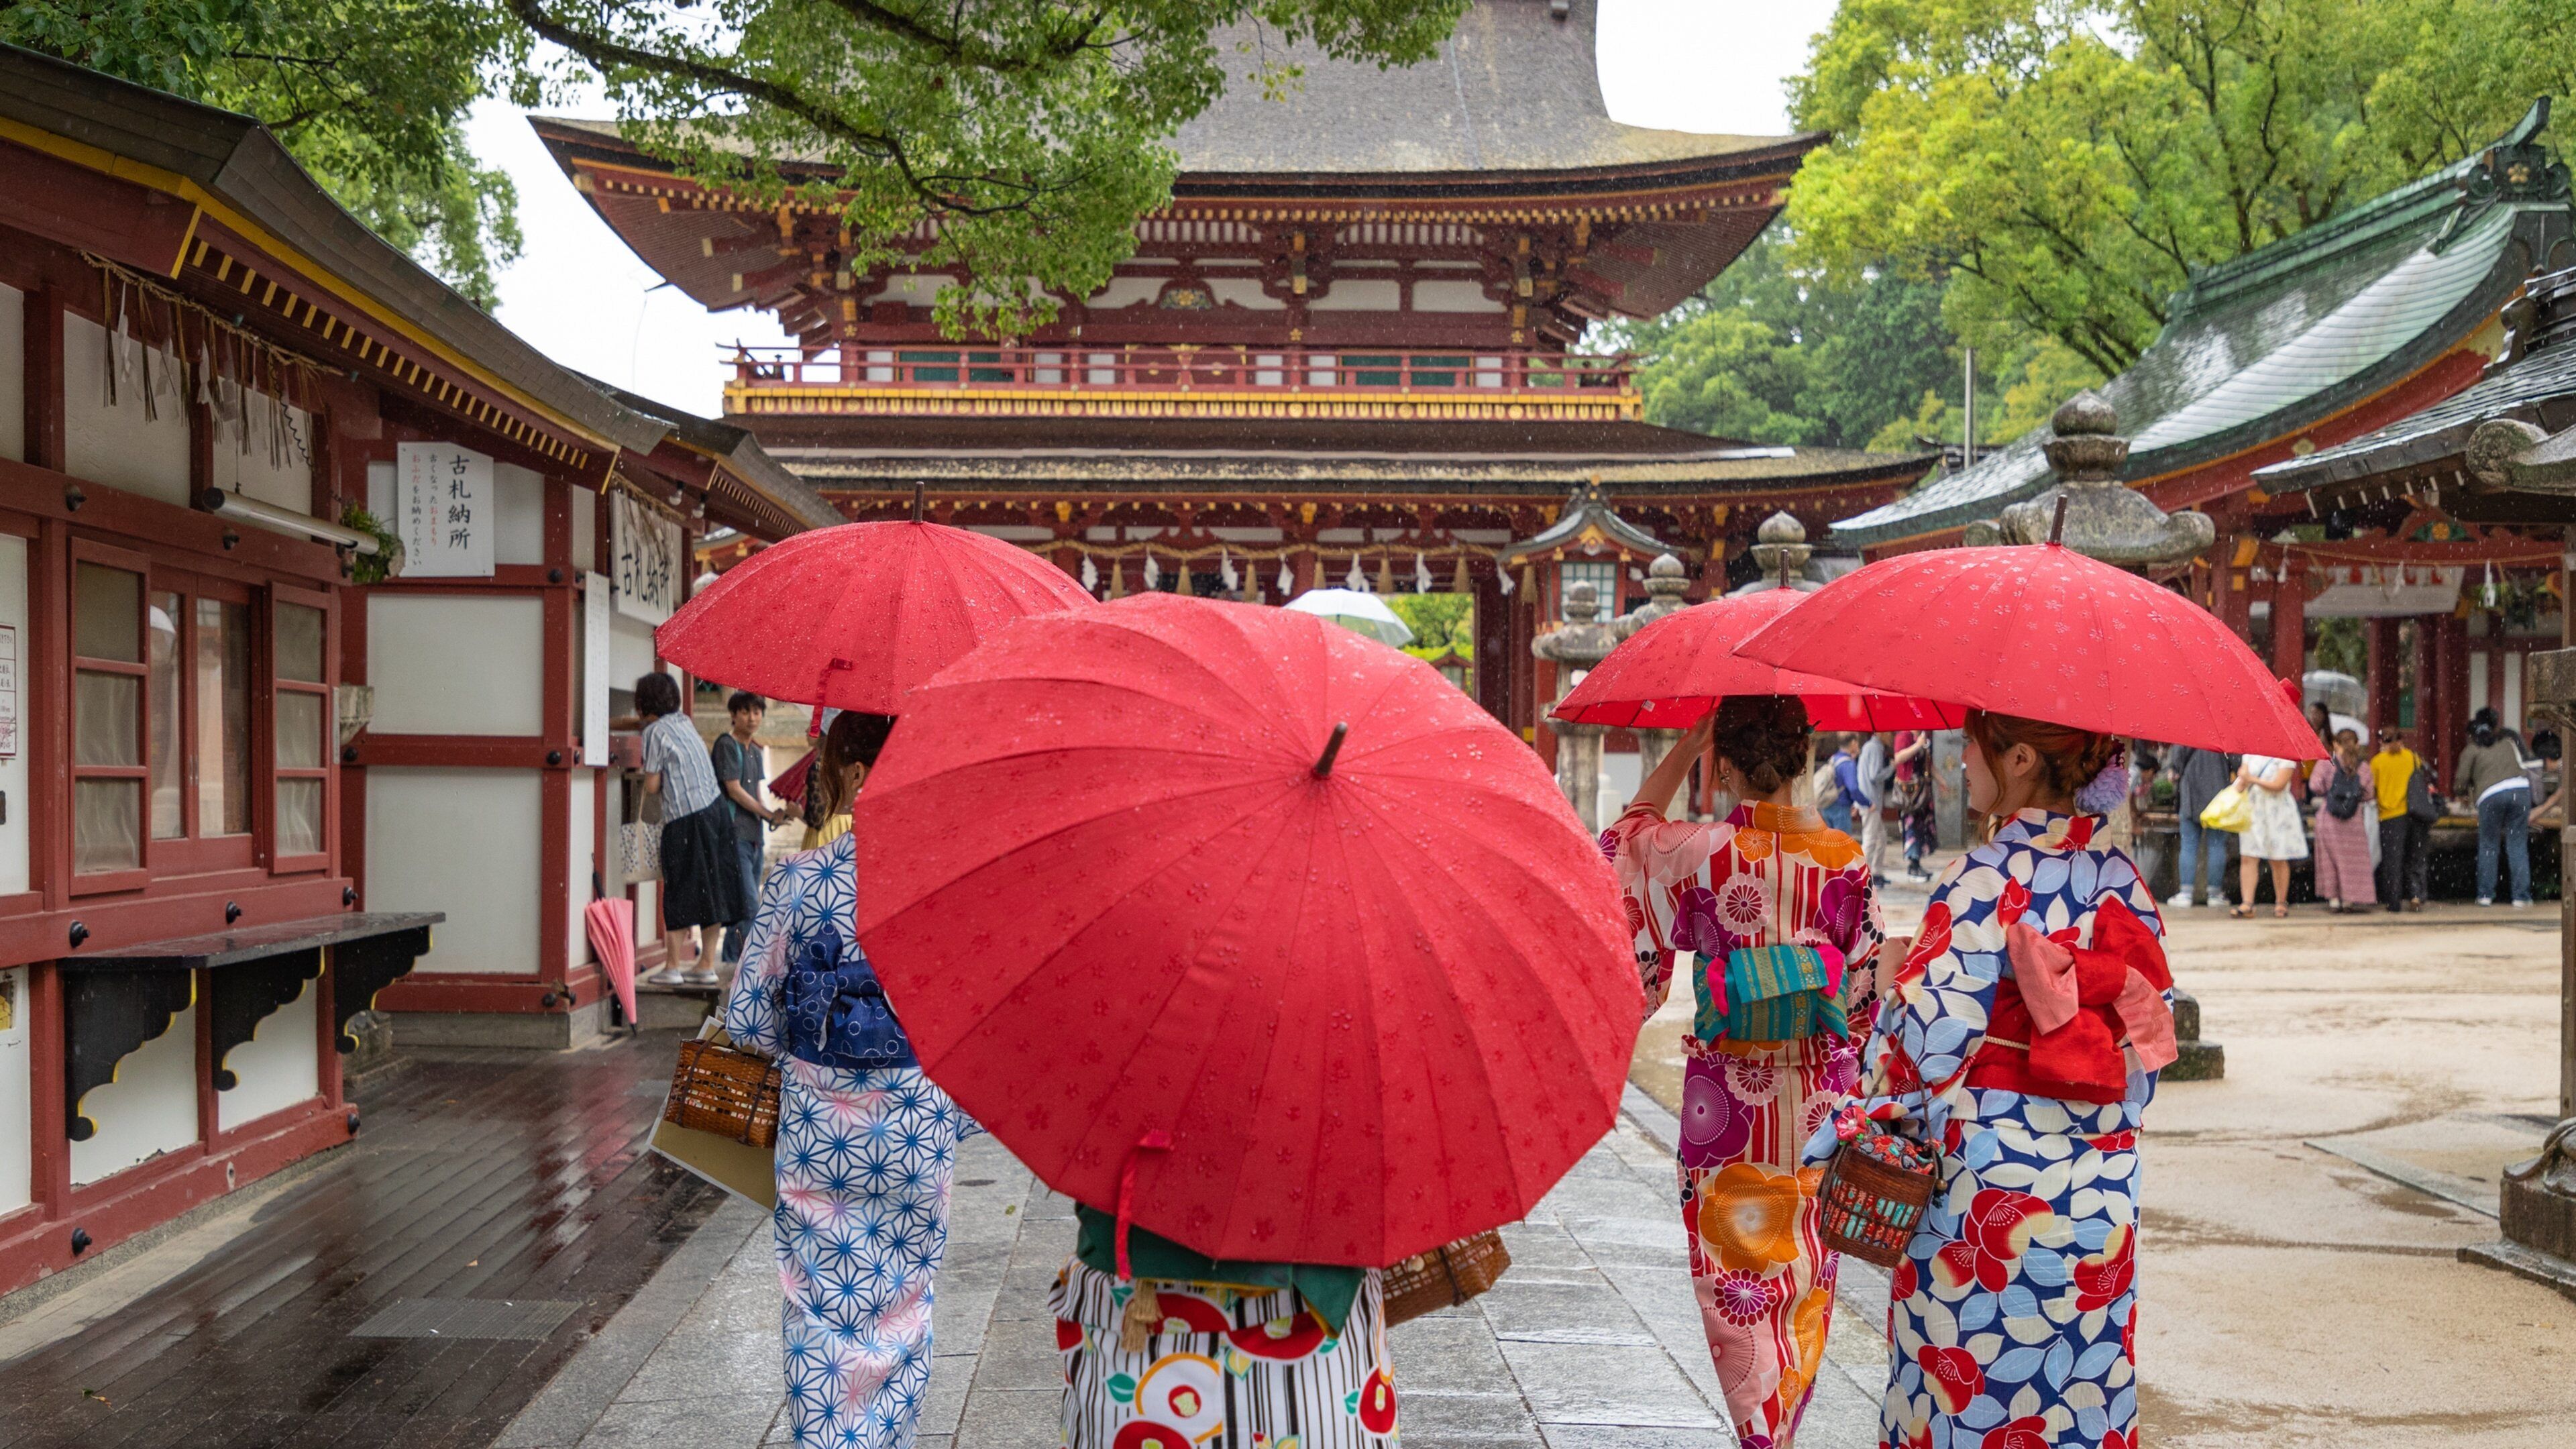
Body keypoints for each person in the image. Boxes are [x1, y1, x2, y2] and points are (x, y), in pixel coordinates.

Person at [1806, 710, 2170, 1449]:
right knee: (2079, 1396)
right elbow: (2143, 1065)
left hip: (1985, 1199)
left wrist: (1854, 1110)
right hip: (2100, 1195)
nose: (1961, 757)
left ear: (2023, 760)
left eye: (1975, 743)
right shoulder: (2128, 887)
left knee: (1960, 1394)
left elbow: (1916, 1048)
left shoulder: (1976, 880)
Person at [1603, 696, 1884, 1448]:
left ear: (1724, 762)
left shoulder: (1700, 853)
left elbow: (1622, 843)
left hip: (1724, 1105)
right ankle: (1781, 1422)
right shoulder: (1846, 863)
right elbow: (1863, 1000)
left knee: (1734, 1279)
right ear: (1806, 755)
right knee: (1805, 1273)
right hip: (1817, 1102)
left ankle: (1756, 1428)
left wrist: (1687, 745)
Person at [722, 716, 981, 1449]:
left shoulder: (799, 882)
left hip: (819, 1132)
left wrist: (812, 1046)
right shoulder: (948, 892)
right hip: (917, 1125)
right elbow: (974, 1021)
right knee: (905, 1301)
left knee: (818, 1309)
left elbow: (747, 1021)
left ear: (861, 776)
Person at [635, 672, 748, 987]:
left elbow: (654, 785)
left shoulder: (654, 732)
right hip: (715, 811)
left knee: (679, 889)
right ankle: (706, 965)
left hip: (685, 818)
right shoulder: (683, 721)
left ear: (644, 702)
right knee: (713, 889)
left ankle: (672, 967)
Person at [711, 691, 792, 965]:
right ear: (733, 715)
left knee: (749, 903)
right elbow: (734, 790)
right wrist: (768, 814)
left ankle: (737, 962)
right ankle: (736, 965)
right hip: (733, 835)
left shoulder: (756, 751)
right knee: (748, 904)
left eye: (757, 712)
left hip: (754, 837)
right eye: (745, 712)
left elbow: (757, 793)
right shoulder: (726, 745)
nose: (752, 717)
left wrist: (774, 816)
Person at [2455, 706, 2534, 907]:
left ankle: (2485, 895)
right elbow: (2525, 764)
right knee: (2517, 844)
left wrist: (2462, 793)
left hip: (2490, 796)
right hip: (2520, 790)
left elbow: (2461, 781)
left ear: (2472, 736)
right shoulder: (2508, 743)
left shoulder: (2472, 749)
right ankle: (2521, 897)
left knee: (2489, 846)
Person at [801, 710, 894, 849]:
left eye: (829, 765)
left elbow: (816, 816)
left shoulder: (800, 869)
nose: (807, 730)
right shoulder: (916, 857)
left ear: (856, 774)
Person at [2308, 729, 2377, 913]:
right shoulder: (2364, 767)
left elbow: (2315, 785)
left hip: (2329, 817)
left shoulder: (2326, 763)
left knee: (2330, 859)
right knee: (2352, 860)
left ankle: (2333, 900)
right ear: (2357, 744)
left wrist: (2329, 792)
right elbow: (2370, 794)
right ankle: (2350, 899)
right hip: (2353, 818)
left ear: (2336, 744)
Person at [2232, 751, 2306, 918]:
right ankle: (2247, 903)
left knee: (2278, 858)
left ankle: (2281, 902)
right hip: (2253, 809)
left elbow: (2279, 784)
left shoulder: (2286, 756)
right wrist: (2242, 780)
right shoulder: (2249, 754)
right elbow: (2241, 784)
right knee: (2248, 856)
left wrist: (2252, 779)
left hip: (2277, 811)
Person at [2163, 744, 2236, 908]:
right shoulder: (2224, 731)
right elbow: (2237, 764)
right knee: (2217, 845)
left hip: (2190, 795)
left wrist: (2175, 770)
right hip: (2219, 795)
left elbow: (2176, 764)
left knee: (2188, 845)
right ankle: (2215, 895)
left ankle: (2186, 894)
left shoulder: (2188, 728)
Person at [2371, 729, 2430, 912]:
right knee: (2415, 858)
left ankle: (2393, 901)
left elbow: (2372, 789)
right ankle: (2415, 897)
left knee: (2392, 861)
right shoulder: (2412, 758)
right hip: (2415, 815)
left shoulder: (2377, 762)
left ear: (2383, 741)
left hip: (2390, 816)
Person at [1893, 730, 1937, 881]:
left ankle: (1917, 864)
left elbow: (1928, 764)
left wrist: (1941, 781)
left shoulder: (1922, 737)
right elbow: (1898, 758)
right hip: (1910, 793)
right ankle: (1913, 866)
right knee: (1912, 828)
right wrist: (1917, 746)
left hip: (1922, 792)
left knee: (1922, 828)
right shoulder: (1904, 736)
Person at [1857, 731, 1894, 884]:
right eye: (1890, 734)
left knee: (1881, 838)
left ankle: (1876, 872)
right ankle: (1862, 876)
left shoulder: (1868, 746)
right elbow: (1875, 775)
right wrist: (1892, 767)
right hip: (1871, 802)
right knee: (1871, 840)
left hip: (1868, 800)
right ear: (1882, 733)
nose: (1891, 737)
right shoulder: (1876, 748)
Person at [1824, 734, 1862, 836]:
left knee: (1829, 843)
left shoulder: (1834, 759)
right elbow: (1853, 788)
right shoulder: (1848, 763)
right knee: (1843, 845)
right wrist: (1866, 803)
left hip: (1827, 805)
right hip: (1841, 808)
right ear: (1853, 743)